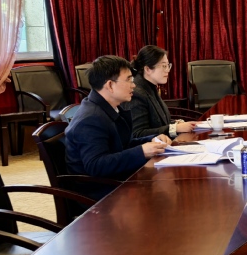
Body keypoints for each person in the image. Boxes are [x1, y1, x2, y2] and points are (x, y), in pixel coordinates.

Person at [65, 56, 169, 195]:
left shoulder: (108, 107)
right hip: (101, 192)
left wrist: (152, 139)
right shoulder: (91, 118)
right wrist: (141, 152)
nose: (133, 85)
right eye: (128, 80)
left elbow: (121, 145)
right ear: (110, 85)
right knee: (166, 189)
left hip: (115, 180)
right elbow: (96, 165)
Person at [130, 45, 196, 139]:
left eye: (168, 66)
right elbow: (138, 134)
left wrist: (176, 124)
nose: (167, 70)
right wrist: (175, 128)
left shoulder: (151, 87)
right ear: (147, 69)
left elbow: (158, 123)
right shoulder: (137, 93)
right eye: (164, 66)